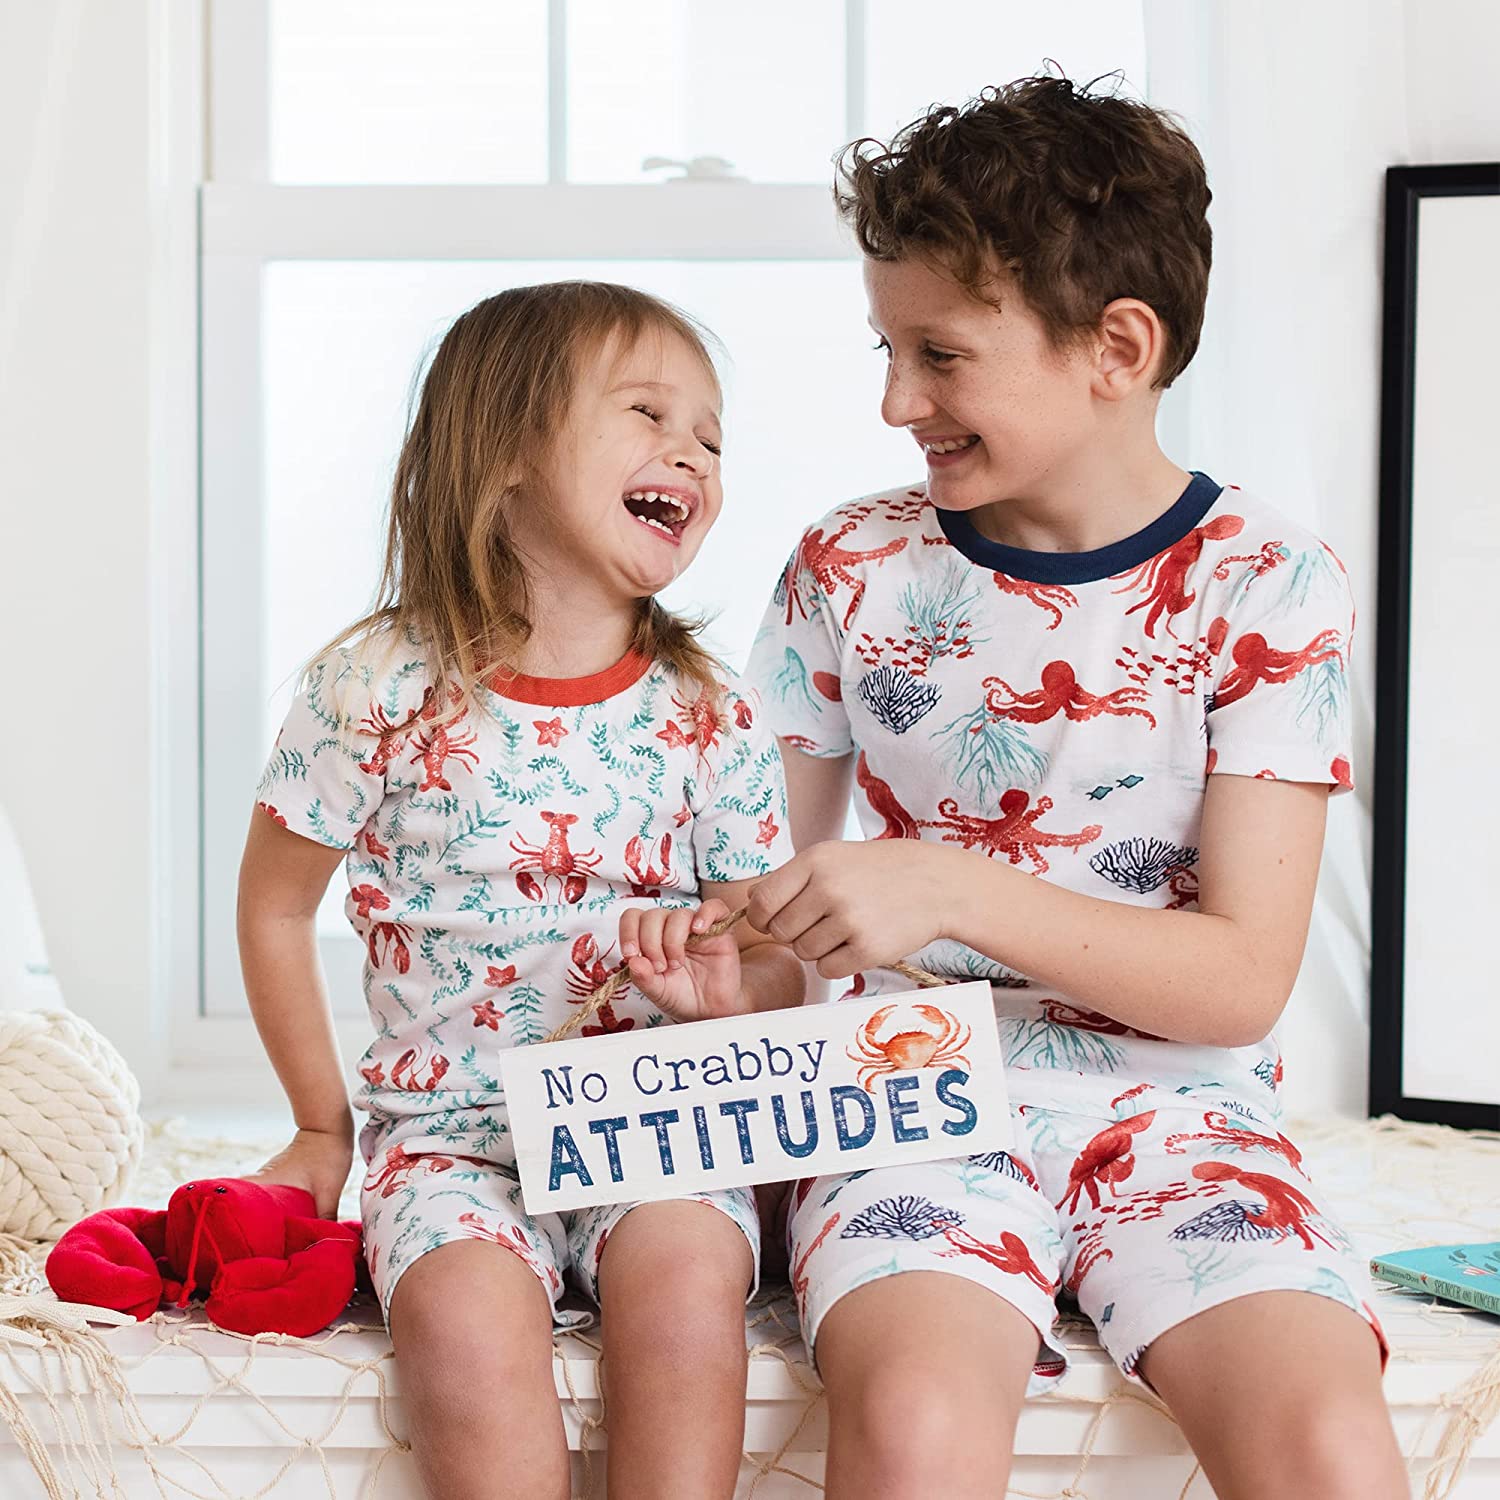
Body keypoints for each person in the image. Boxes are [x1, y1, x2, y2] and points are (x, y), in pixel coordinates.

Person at [745, 77, 1406, 1500]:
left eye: (940, 355)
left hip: (1186, 1113)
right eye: (886, 350)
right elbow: (762, 910)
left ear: (1118, 346)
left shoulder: (1269, 585)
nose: (896, 401)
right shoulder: (847, 565)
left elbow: (1239, 982)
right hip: (906, 1098)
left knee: (1332, 1446)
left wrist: (947, 887)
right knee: (915, 1422)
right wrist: (719, 972)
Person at [238, 281, 802, 1500]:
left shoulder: (711, 715)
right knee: (460, 1325)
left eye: (710, 437)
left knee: (688, 1290)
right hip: (451, 1140)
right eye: (647, 413)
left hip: (653, 1120)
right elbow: (275, 905)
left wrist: (729, 992)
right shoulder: (373, 686)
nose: (691, 453)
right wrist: (322, 1128)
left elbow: (775, 960)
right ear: (502, 455)